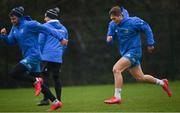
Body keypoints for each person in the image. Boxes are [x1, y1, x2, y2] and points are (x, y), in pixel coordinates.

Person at [0, 6, 68, 111]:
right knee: (40, 84)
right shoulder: (15, 28)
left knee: (14, 73)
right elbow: (11, 41)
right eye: (11, 19)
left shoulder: (30, 24)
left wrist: (61, 38)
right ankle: (56, 101)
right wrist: (4, 36)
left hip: (34, 55)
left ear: (19, 17)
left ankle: (36, 81)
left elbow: (47, 29)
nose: (12, 21)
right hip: (28, 57)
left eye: (14, 18)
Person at [104, 6, 172, 104]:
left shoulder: (133, 21)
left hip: (134, 51)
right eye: (112, 19)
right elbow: (109, 36)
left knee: (116, 69)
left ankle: (117, 97)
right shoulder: (112, 24)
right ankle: (162, 82)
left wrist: (150, 43)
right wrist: (109, 39)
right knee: (140, 78)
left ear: (120, 15)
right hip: (125, 53)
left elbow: (147, 27)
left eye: (115, 18)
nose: (113, 21)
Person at [37, 7, 68, 106]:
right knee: (56, 77)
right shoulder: (63, 28)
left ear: (48, 17)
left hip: (46, 56)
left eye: (45, 16)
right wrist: (60, 53)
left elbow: (40, 42)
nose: (44, 18)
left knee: (44, 77)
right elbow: (65, 44)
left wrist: (39, 54)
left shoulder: (45, 26)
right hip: (58, 56)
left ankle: (46, 99)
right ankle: (59, 99)